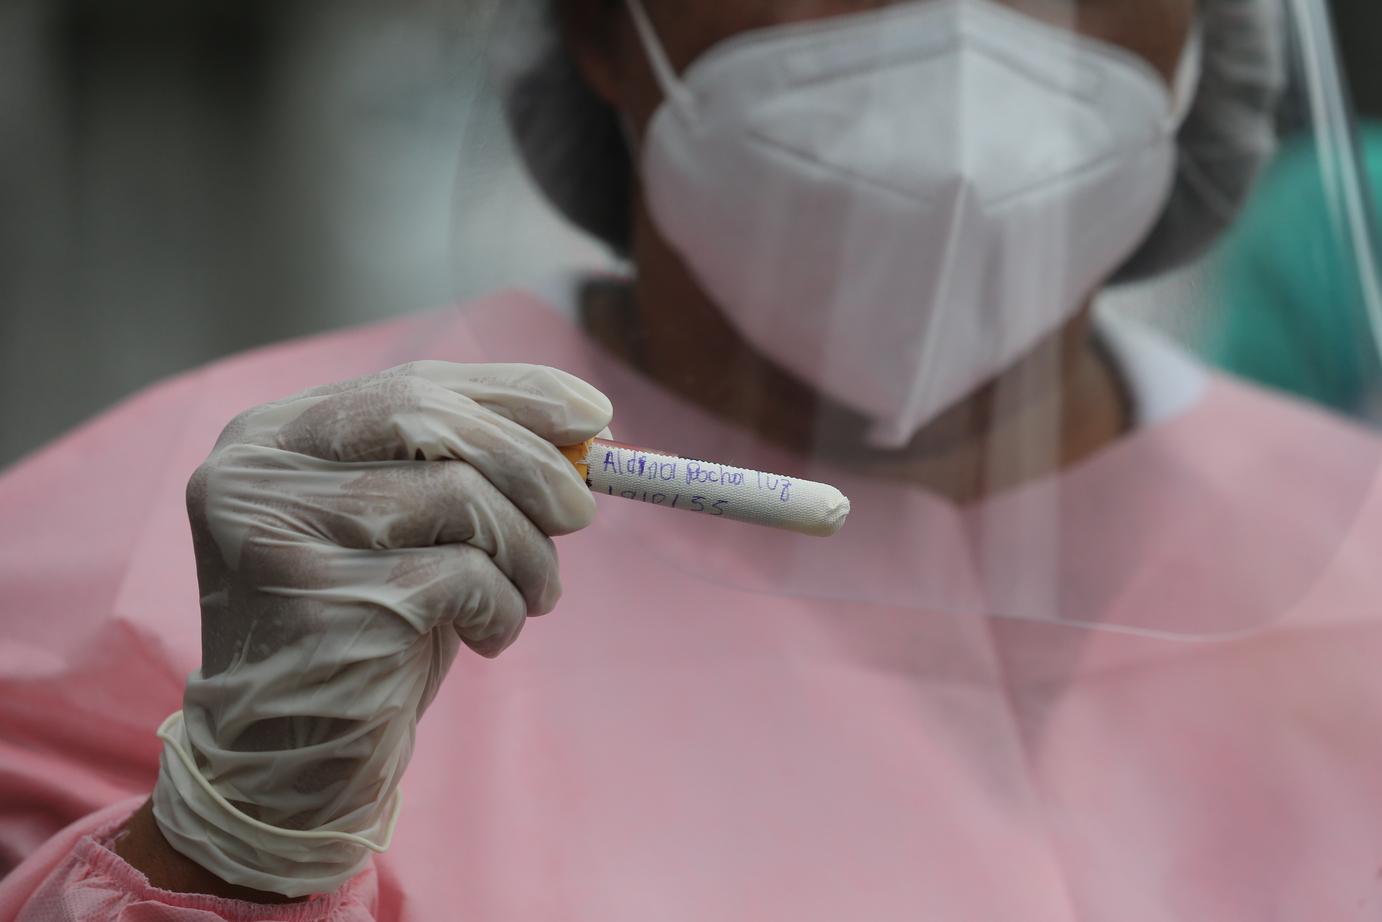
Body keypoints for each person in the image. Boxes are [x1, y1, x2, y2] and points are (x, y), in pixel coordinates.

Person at [3, 0, 1382, 919]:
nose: (962, 33)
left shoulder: (1352, 547)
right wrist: (221, 856)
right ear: (601, 27)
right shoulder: (187, 542)